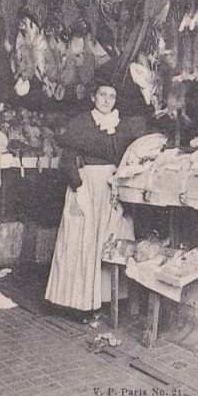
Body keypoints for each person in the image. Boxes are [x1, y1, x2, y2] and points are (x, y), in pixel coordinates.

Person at [45, 84, 147, 314]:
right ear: (93, 97)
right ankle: (76, 302)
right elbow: (67, 160)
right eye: (102, 95)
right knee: (83, 239)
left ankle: (108, 299)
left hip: (112, 187)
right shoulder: (82, 122)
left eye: (112, 96)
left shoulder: (122, 125)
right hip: (87, 187)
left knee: (112, 238)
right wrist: (78, 186)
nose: (107, 100)